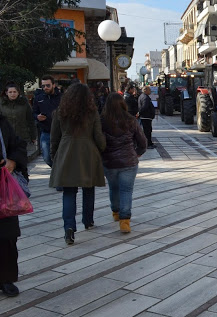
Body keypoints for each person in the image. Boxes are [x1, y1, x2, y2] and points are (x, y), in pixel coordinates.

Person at [49, 83, 106, 245]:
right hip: (87, 152)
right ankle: (88, 220)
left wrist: (55, 157)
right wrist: (103, 147)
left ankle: (69, 227)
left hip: (66, 152)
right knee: (88, 189)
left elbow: (54, 138)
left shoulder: (60, 112)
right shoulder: (92, 112)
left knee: (69, 192)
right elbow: (98, 136)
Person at [101, 93, 147, 233]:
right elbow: (142, 141)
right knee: (126, 190)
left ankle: (115, 212)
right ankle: (125, 221)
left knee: (113, 188)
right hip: (129, 161)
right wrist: (137, 153)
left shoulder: (102, 121)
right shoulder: (130, 120)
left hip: (109, 161)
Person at [0, 114, 28, 297]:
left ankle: (6, 278)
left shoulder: (1, 122)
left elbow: (18, 145)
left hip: (3, 190)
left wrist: (12, 160)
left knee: (7, 236)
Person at [32, 76, 62, 167]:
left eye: (48, 85)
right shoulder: (38, 98)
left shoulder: (62, 97)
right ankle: (57, 172)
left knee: (62, 156)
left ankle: (60, 174)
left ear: (53, 85)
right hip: (46, 132)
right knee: (47, 157)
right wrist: (37, 117)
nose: (45, 88)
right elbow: (34, 113)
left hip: (61, 132)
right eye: (43, 86)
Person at [0, 82, 37, 148]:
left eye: (14, 92)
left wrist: (33, 136)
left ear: (18, 92)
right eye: (10, 92)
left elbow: (30, 120)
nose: (12, 94)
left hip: (23, 137)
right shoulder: (2, 104)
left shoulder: (24, 103)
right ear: (6, 93)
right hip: (6, 137)